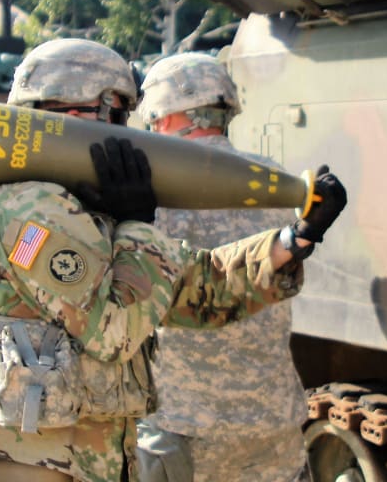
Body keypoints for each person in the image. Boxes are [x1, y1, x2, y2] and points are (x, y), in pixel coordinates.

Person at [0, 39, 347, 482]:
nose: (127, 131)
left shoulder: (82, 207)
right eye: (118, 117)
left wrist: (294, 240)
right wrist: (137, 225)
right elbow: (113, 331)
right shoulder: (23, 211)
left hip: (91, 456)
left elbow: (194, 285)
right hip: (35, 460)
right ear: (85, 112)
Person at [133, 52, 308, 482]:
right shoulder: (272, 178)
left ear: (166, 115)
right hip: (274, 424)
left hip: (183, 430)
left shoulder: (148, 189)